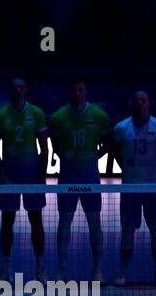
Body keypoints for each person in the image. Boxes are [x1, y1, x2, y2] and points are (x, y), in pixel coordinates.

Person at [48, 79, 110, 281]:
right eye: (73, 88)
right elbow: (55, 144)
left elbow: (108, 144)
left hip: (90, 178)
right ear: (69, 92)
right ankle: (61, 268)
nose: (77, 92)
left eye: (80, 88)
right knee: (64, 222)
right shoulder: (58, 118)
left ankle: (98, 268)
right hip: (67, 178)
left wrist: (93, 158)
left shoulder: (99, 116)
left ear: (86, 91)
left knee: (95, 223)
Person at [110, 91, 156, 286]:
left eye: (143, 99)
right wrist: (128, 169)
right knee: (127, 230)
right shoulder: (121, 128)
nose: (140, 103)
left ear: (149, 103)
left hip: (153, 186)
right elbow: (116, 152)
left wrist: (155, 166)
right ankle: (123, 272)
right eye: (137, 99)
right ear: (131, 102)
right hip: (130, 188)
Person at [0, 78, 49, 281]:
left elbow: (44, 148)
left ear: (26, 89)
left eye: (21, 86)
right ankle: (4, 269)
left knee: (37, 221)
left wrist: (42, 176)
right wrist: (1, 174)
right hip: (10, 178)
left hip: (32, 177)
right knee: (7, 221)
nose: (17, 89)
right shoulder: (0, 115)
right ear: (10, 90)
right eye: (14, 86)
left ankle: (41, 268)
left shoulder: (37, 113)